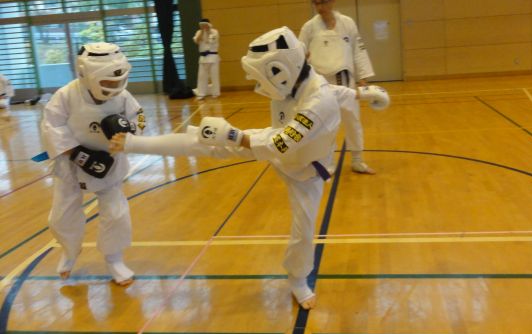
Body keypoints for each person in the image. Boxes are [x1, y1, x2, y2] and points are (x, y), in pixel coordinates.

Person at [109, 27, 389, 309]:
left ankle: (297, 279)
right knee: (203, 141)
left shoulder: (319, 101)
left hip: (305, 169)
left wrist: (232, 135)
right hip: (275, 144)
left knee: (303, 230)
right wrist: (365, 93)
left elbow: (282, 143)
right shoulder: (302, 80)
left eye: (262, 77)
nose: (260, 86)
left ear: (281, 70)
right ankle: (132, 143)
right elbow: (337, 92)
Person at [40, 42, 145, 287]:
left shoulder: (123, 97)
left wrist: (128, 133)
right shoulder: (66, 95)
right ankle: (69, 251)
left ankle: (114, 260)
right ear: (86, 75)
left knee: (116, 214)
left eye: (118, 81)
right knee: (61, 217)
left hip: (109, 160)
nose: (114, 87)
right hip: (71, 162)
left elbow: (138, 118)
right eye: (108, 82)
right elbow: (51, 125)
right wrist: (77, 153)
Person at [299, 0, 376, 175]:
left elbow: (358, 49)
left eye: (323, 2)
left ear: (332, 1)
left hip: (344, 79)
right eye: (315, 3)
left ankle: (357, 160)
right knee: (325, 124)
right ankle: (328, 161)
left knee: (352, 120)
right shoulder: (309, 27)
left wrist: (363, 77)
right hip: (320, 82)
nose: (319, 7)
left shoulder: (347, 23)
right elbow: (299, 55)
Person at [193, 18, 220, 100]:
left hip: (213, 56)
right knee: (202, 76)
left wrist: (208, 31)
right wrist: (202, 31)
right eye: (202, 25)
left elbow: (210, 41)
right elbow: (196, 41)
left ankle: (216, 93)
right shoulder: (199, 32)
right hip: (203, 58)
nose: (203, 26)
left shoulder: (214, 32)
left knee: (214, 76)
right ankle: (201, 94)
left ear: (208, 24)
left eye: (205, 25)